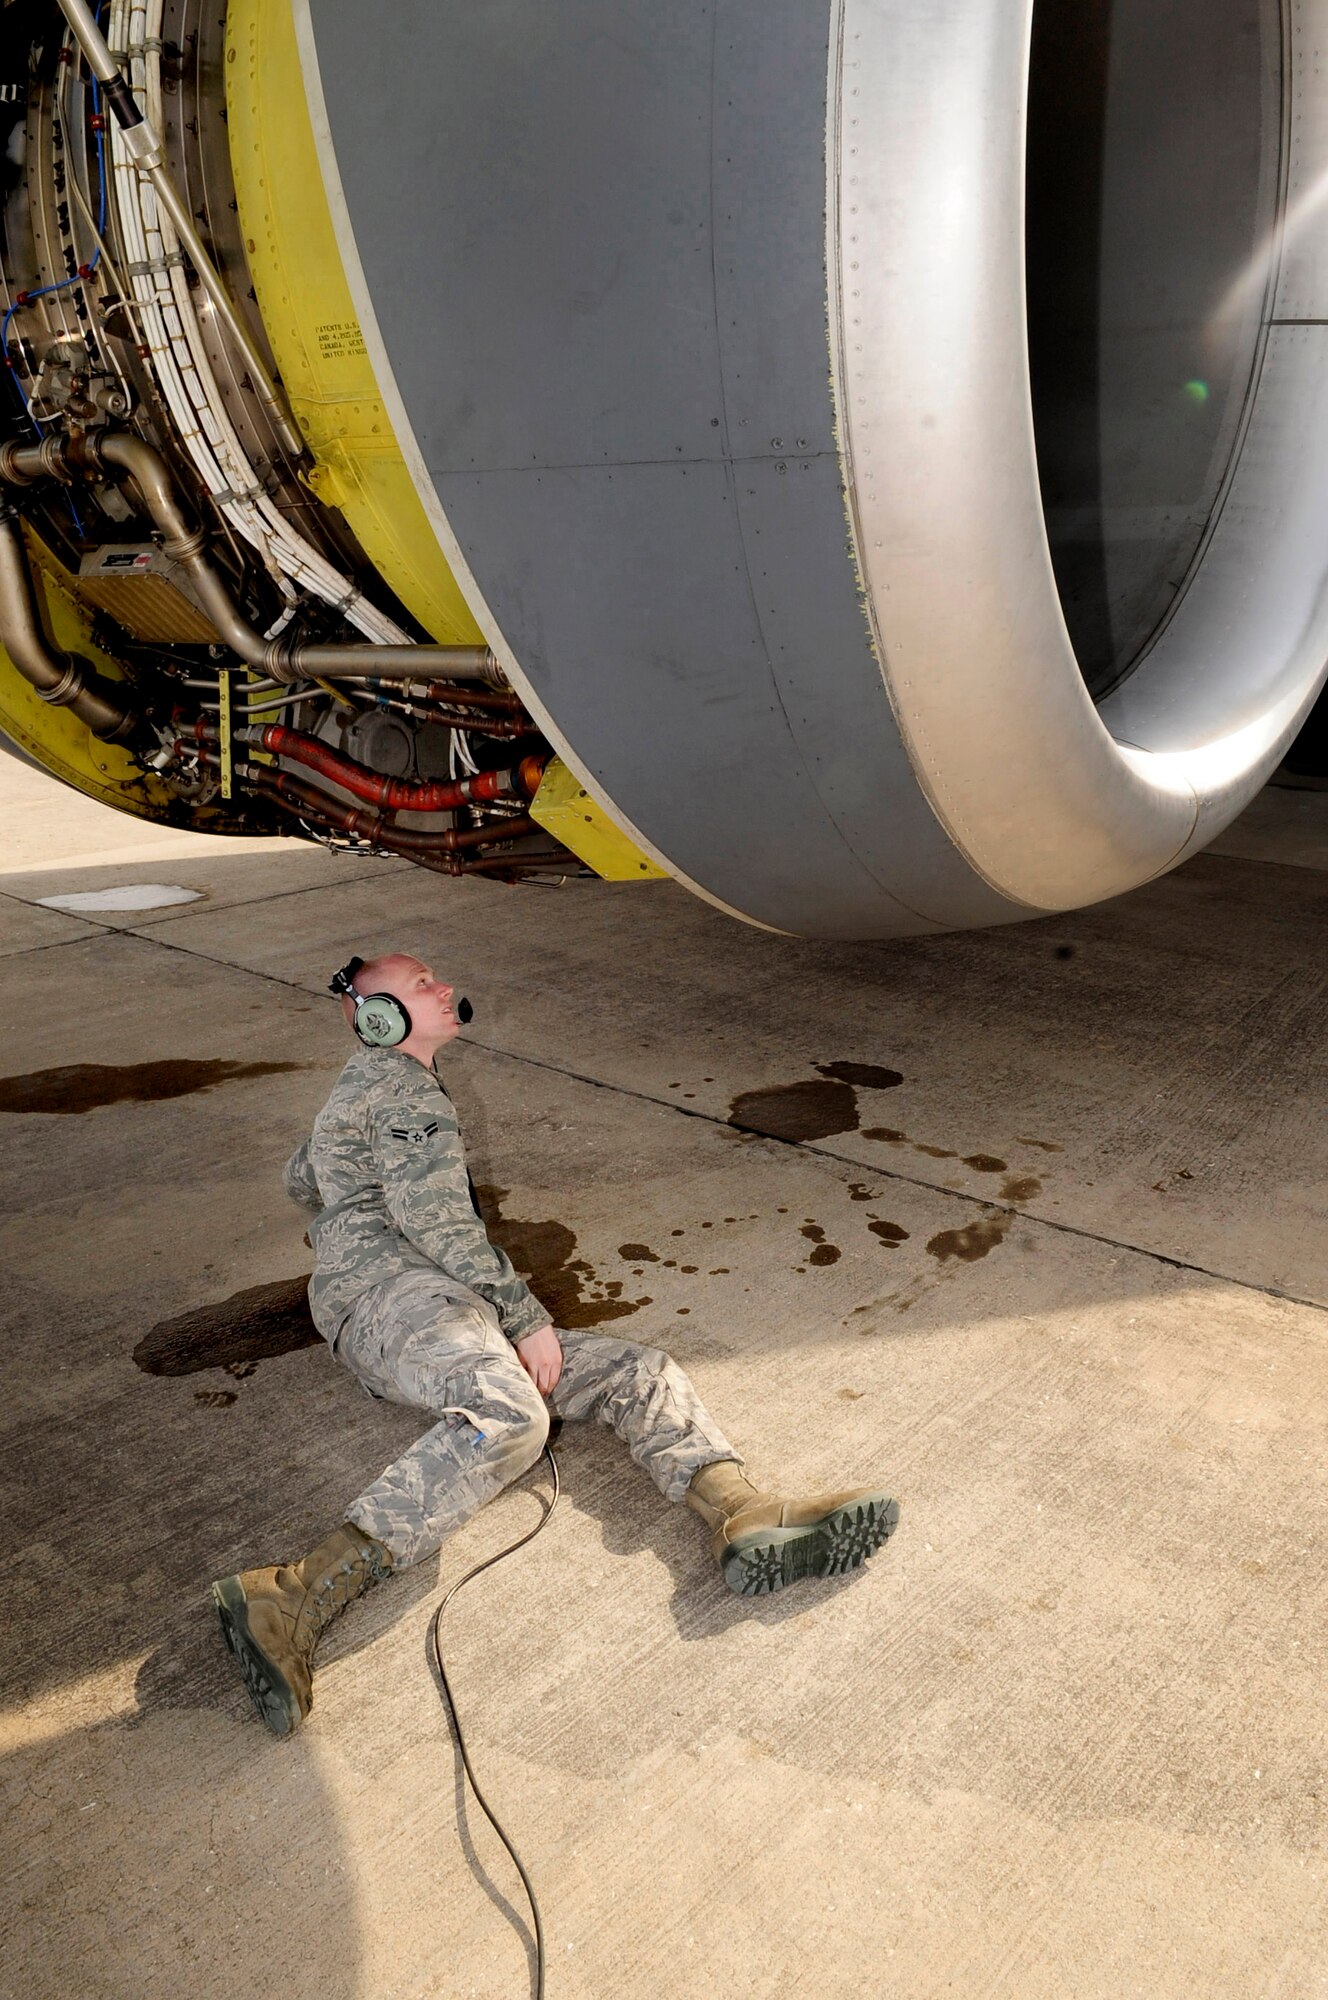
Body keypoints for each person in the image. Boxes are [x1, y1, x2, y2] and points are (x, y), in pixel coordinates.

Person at [212, 952, 899, 1737]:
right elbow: (436, 1224)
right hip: (390, 1300)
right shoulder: (403, 1092)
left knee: (635, 1372)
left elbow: (300, 1176)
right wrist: (523, 1315)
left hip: (431, 1303)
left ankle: (741, 1513)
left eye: (436, 975)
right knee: (512, 1415)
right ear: (379, 1020)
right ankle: (293, 1592)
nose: (441, 986)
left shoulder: (371, 1082)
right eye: (418, 985)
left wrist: (344, 1169)